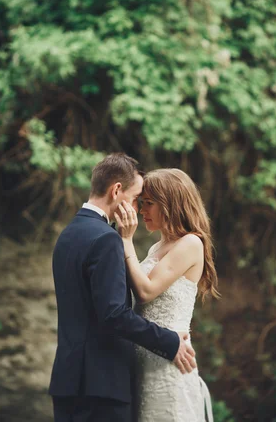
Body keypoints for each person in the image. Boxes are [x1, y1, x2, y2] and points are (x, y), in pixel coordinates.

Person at [49, 154, 197, 422]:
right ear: (117, 190)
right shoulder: (106, 239)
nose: (137, 207)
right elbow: (113, 314)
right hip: (101, 385)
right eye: (137, 197)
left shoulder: (68, 234)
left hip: (67, 381)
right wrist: (169, 341)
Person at [115, 168, 220, 422]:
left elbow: (145, 291)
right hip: (145, 361)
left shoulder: (191, 243)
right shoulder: (156, 247)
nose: (142, 211)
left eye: (149, 204)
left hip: (169, 363)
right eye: (142, 203)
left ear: (171, 204)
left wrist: (126, 240)